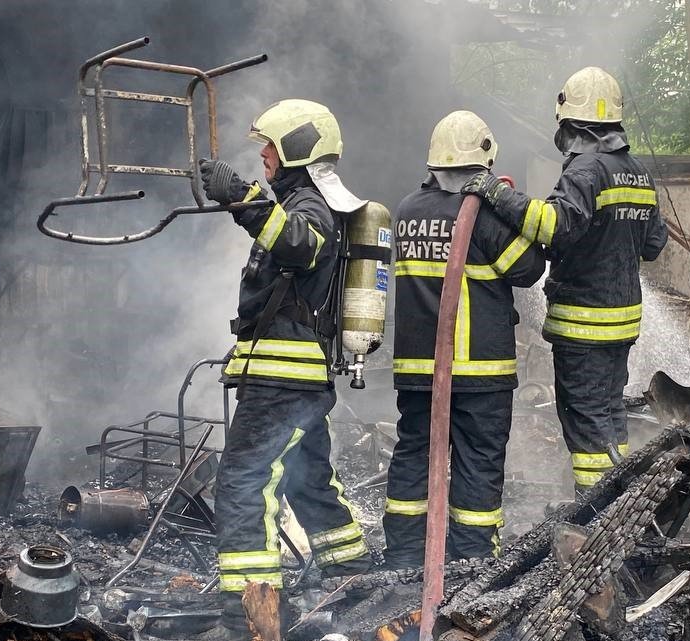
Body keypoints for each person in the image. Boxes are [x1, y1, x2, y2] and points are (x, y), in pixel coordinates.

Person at [197, 99, 371, 605]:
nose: (264, 155)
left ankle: (248, 608)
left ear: (297, 147)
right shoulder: (298, 202)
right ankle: (352, 575)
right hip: (290, 380)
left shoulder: (310, 205)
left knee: (243, 483)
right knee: (309, 479)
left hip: (284, 382)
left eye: (270, 145)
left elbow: (300, 245)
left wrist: (242, 199)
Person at [462, 67, 668, 494]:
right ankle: (625, 500)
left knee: (586, 421)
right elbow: (652, 244)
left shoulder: (586, 170)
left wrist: (495, 193)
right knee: (610, 416)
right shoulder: (637, 172)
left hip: (584, 324)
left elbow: (554, 226)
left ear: (571, 123)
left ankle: (597, 517)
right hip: (622, 324)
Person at [381, 111, 545, 568]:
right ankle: (471, 561)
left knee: (414, 455)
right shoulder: (483, 217)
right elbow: (529, 270)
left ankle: (404, 559)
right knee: (477, 464)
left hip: (417, 371)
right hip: (478, 371)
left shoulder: (407, 210)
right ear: (484, 163)